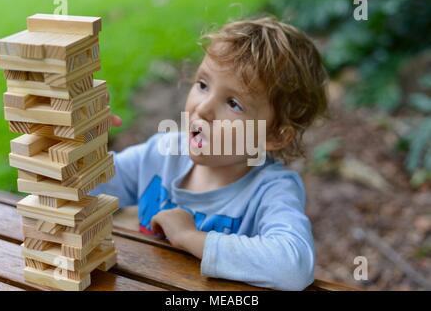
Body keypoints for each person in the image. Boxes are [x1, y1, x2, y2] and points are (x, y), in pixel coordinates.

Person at [93, 16, 329, 290]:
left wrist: (190, 236)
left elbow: (294, 266)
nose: (203, 108)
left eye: (233, 103)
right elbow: (85, 191)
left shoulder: (271, 190)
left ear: (275, 135)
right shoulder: (161, 153)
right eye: (203, 84)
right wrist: (82, 141)